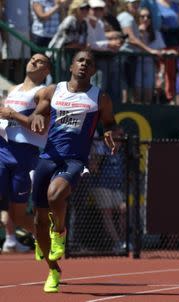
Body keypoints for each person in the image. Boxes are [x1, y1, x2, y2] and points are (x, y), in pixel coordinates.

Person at [29, 50, 118, 293]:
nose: (84, 65)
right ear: (71, 66)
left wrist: (111, 133)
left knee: (55, 196)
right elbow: (39, 110)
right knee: (38, 221)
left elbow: (110, 123)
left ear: (93, 71)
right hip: (48, 157)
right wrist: (37, 116)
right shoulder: (54, 91)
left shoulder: (99, 98)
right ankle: (53, 269)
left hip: (75, 160)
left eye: (89, 63)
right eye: (80, 61)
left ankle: (59, 231)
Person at [0, 53, 51, 251]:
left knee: (18, 216)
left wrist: (11, 113)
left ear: (46, 71)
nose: (33, 61)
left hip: (25, 154)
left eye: (40, 61)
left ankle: (47, 241)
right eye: (32, 58)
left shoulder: (42, 92)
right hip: (3, 148)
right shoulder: (12, 90)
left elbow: (40, 127)